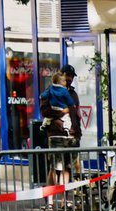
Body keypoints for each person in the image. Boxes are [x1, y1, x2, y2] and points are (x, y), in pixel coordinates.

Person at [39, 71, 79, 202]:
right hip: (55, 133)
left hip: (69, 134)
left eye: (71, 77)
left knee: (66, 167)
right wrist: (61, 113)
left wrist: (76, 131)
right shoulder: (51, 90)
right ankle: (50, 199)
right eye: (67, 77)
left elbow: (75, 111)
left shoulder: (72, 93)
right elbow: (45, 110)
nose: (69, 79)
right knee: (54, 168)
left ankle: (63, 199)